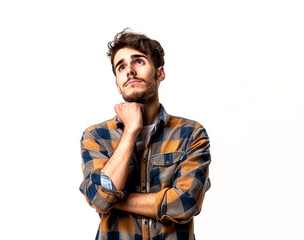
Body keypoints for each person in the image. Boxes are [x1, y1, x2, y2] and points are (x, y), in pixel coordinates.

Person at [79, 29, 211, 240]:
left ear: (160, 73)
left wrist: (118, 199)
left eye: (138, 62)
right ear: (117, 84)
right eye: (121, 67)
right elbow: (101, 200)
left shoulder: (190, 134)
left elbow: (186, 203)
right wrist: (131, 130)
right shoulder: (96, 136)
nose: (129, 70)